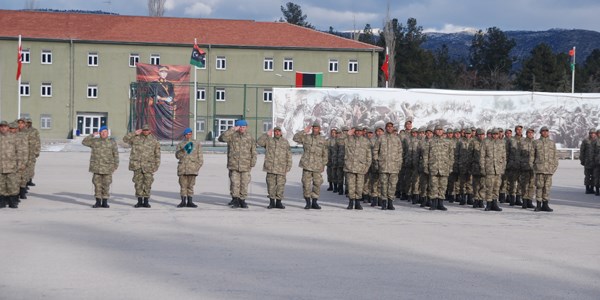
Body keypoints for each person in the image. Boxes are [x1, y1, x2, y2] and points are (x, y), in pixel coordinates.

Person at [218, 120, 257, 208]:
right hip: (234, 164)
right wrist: (232, 129)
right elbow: (221, 138)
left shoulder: (249, 137)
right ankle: (235, 200)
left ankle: (242, 200)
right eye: (240, 127)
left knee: (244, 183)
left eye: (243, 127)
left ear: (246, 127)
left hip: (245, 164)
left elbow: (253, 151)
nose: (242, 129)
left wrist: (253, 162)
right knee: (235, 183)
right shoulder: (232, 136)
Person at [123, 124, 161, 208]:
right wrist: (134, 133)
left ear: (150, 131)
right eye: (144, 130)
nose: (146, 131)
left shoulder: (154, 141)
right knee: (138, 183)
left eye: (147, 130)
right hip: (137, 165)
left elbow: (157, 155)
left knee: (148, 183)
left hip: (149, 165)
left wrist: (156, 166)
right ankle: (139, 201)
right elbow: (125, 139)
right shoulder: (136, 138)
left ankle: (146, 201)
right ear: (142, 130)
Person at [82, 126, 119, 208]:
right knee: (97, 185)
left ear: (107, 133)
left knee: (106, 185)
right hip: (96, 167)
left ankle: (105, 202)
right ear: (99, 133)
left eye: (105, 131)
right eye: (101, 132)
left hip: (108, 167)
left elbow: (115, 154)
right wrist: (92, 135)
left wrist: (115, 165)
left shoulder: (112, 142)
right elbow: (84, 142)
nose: (103, 133)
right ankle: (98, 202)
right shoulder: (95, 141)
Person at [293, 122, 328, 209]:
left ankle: (315, 202)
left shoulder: (323, 140)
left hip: (317, 165)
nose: (315, 130)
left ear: (319, 129)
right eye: (314, 128)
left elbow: (325, 154)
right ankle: (308, 202)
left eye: (317, 128)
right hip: (307, 165)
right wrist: (304, 131)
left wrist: (323, 165)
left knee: (317, 183)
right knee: (306, 184)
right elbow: (295, 138)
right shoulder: (306, 137)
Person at [256, 127, 292, 209]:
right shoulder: (269, 141)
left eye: (279, 131)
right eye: (275, 131)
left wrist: (288, 166)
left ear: (281, 133)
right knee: (270, 185)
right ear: (274, 132)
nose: (277, 133)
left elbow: (289, 155)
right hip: (270, 167)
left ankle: (279, 202)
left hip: (281, 167)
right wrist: (266, 134)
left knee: (280, 185)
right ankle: (272, 202)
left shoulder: (285, 142)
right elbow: (259, 142)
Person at [374, 122, 403, 210]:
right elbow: (375, 151)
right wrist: (377, 162)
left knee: (392, 185)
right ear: (386, 128)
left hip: (394, 166)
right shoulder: (381, 138)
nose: (389, 128)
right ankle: (383, 202)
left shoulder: (397, 139)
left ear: (393, 128)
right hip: (383, 166)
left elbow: (400, 152)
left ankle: (390, 202)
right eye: (388, 127)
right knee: (383, 185)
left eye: (391, 127)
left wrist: (399, 164)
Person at [423, 125, 452, 211]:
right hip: (433, 167)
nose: (439, 131)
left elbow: (451, 156)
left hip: (444, 167)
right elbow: (425, 156)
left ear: (443, 131)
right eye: (437, 130)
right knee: (433, 186)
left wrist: (450, 167)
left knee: (443, 186)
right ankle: (434, 203)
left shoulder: (447, 142)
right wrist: (425, 166)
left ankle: (440, 203)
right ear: (435, 131)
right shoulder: (430, 142)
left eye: (441, 130)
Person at [343, 127, 372, 210]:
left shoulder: (366, 141)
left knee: (359, 186)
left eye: (360, 131)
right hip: (350, 167)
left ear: (362, 132)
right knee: (351, 186)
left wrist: (366, 167)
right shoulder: (348, 139)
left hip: (361, 168)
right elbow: (339, 141)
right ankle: (351, 202)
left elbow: (368, 156)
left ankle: (358, 203)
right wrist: (347, 134)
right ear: (354, 132)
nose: (358, 133)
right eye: (357, 131)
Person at [175, 127, 203, 208]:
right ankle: (183, 201)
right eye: (187, 134)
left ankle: (190, 201)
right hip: (183, 168)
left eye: (190, 134)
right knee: (183, 185)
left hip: (192, 168)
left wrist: (198, 166)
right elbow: (177, 156)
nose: (188, 136)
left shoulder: (196, 143)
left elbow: (200, 156)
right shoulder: (180, 144)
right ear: (184, 135)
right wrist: (183, 150)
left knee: (191, 185)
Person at [0, 121, 26, 209]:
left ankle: (13, 202)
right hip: (0, 166)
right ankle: (2, 202)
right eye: (1, 126)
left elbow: (19, 151)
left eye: (5, 126)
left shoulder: (14, 138)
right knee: (1, 185)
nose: (3, 128)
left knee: (13, 185)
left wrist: (20, 164)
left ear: (8, 127)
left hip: (12, 166)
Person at [533, 126, 558, 212]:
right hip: (539, 169)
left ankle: (545, 204)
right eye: (543, 131)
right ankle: (538, 205)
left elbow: (555, 157)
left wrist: (553, 168)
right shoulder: (536, 143)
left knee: (547, 188)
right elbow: (532, 157)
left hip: (549, 170)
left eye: (546, 131)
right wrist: (534, 168)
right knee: (539, 187)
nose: (545, 133)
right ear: (540, 133)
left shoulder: (552, 143)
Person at [481, 128, 506, 211]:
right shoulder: (486, 142)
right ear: (491, 134)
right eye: (494, 134)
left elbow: (504, 156)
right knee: (489, 187)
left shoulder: (501, 142)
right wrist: (482, 168)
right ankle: (488, 203)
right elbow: (482, 156)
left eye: (497, 134)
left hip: (498, 169)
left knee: (496, 187)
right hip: (489, 168)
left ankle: (495, 203)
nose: (495, 135)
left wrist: (503, 167)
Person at [11, 121, 29, 200]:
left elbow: (25, 150)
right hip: (8, 161)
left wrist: (24, 162)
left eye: (14, 128)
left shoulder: (22, 136)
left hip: (20, 160)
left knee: (20, 178)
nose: (12, 130)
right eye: (10, 128)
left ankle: (20, 193)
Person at [519, 128, 537, 209]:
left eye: (532, 133)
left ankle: (530, 200)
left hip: (533, 167)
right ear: (526, 133)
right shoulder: (522, 142)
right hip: (524, 166)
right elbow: (518, 154)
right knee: (524, 185)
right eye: (529, 133)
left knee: (532, 185)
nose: (530, 134)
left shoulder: (536, 143)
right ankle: (524, 201)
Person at [22, 118, 41, 188]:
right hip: (24, 152)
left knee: (31, 167)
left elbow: (38, 141)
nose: (28, 124)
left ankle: (30, 180)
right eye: (27, 122)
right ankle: (24, 182)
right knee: (25, 167)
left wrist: (37, 151)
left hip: (32, 152)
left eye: (30, 122)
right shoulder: (23, 131)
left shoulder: (35, 131)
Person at [580, 129, 596, 194]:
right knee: (587, 176)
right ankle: (587, 189)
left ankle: (592, 189)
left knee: (594, 176)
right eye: (591, 133)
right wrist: (582, 160)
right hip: (587, 162)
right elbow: (582, 151)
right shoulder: (585, 141)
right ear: (589, 133)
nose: (592, 134)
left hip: (595, 162)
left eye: (593, 133)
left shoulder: (597, 141)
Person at [326, 128, 338, 192]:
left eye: (334, 133)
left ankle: (336, 187)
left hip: (336, 159)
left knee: (335, 174)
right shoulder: (328, 140)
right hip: (329, 159)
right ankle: (330, 186)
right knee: (329, 173)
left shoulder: (338, 140)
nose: (333, 134)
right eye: (332, 132)